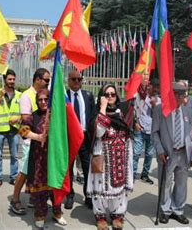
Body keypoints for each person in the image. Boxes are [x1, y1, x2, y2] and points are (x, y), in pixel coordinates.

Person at [86, 84, 133, 230]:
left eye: (113, 94)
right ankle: (100, 217)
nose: (110, 97)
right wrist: (103, 108)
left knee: (119, 187)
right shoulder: (98, 113)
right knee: (100, 187)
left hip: (120, 156)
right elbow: (99, 132)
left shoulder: (123, 112)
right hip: (103, 156)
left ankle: (117, 215)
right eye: (107, 95)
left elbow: (128, 132)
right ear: (101, 97)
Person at [19, 89, 67, 228]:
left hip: (54, 158)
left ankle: (57, 213)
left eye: (46, 99)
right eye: (40, 100)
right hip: (38, 158)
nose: (43, 102)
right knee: (40, 190)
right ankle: (40, 214)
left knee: (56, 186)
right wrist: (37, 137)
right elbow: (22, 131)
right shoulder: (33, 116)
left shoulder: (57, 116)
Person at [152, 82, 192, 225]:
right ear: (173, 96)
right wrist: (159, 150)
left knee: (182, 183)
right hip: (167, 154)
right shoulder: (160, 110)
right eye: (181, 95)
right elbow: (155, 133)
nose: (184, 99)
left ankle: (178, 210)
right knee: (165, 182)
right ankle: (165, 210)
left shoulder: (188, 110)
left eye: (184, 95)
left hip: (183, 153)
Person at [9, 68, 50, 215]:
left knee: (39, 171)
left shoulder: (46, 94)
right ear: (37, 79)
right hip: (31, 142)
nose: (48, 82)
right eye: (46, 80)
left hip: (44, 145)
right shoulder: (27, 96)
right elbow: (26, 122)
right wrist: (37, 136)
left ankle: (36, 197)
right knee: (25, 171)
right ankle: (15, 199)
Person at [64, 70, 96, 210]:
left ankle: (88, 196)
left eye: (79, 79)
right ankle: (69, 195)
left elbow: (94, 116)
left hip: (85, 138)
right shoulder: (63, 96)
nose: (77, 82)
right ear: (68, 80)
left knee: (87, 167)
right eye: (74, 79)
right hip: (69, 137)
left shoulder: (88, 95)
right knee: (69, 169)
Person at [0, 69, 22, 188]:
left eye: (13, 79)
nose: (12, 81)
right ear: (4, 80)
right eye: (9, 79)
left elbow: (24, 112)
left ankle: (13, 177)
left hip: (13, 130)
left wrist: (18, 118)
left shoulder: (19, 94)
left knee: (14, 155)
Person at [133, 79, 160, 185]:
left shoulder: (159, 100)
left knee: (149, 154)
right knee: (136, 153)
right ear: (150, 87)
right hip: (140, 129)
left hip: (152, 131)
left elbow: (159, 116)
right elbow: (134, 110)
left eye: (158, 87)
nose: (156, 89)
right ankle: (133, 174)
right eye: (154, 87)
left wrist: (154, 106)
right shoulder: (140, 97)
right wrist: (135, 123)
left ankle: (145, 174)